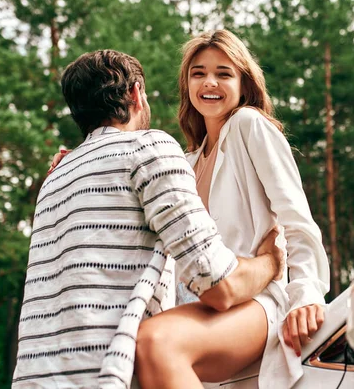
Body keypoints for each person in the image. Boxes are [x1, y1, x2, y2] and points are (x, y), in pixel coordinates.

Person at [11, 49, 285, 388]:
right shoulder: (147, 149)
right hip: (112, 377)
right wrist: (271, 260)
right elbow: (219, 285)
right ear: (135, 94)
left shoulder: (54, 178)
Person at [134, 30, 330, 389]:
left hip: (254, 303)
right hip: (195, 309)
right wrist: (82, 159)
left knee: (155, 342)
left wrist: (307, 294)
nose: (210, 82)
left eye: (224, 73)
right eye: (198, 73)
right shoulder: (186, 161)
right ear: (187, 84)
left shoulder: (248, 125)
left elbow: (296, 219)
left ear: (244, 84)